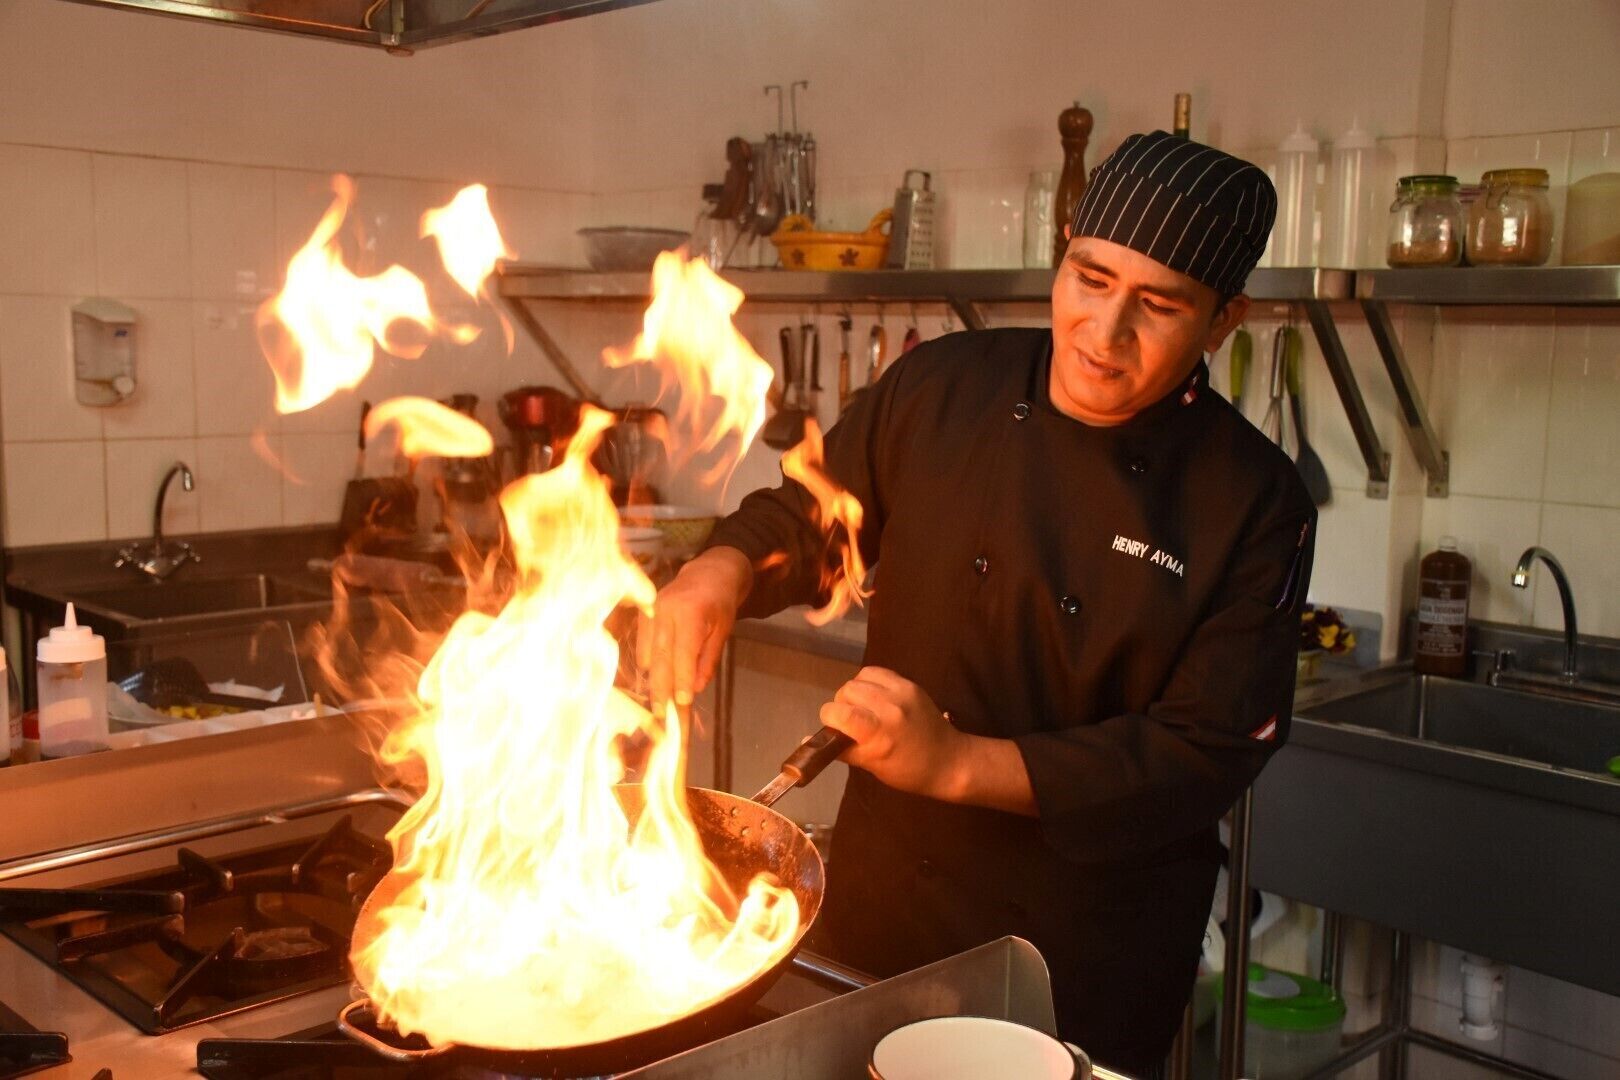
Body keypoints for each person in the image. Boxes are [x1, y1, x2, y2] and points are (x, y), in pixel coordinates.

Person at [641, 131, 1316, 1077]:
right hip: (882, 909)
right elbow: (807, 513)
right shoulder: (944, 386)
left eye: (1157, 306)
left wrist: (959, 764)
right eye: (1090, 278)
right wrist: (720, 569)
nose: (1104, 333)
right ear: (1065, 252)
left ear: (1224, 319)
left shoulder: (1253, 497)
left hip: (1080, 950)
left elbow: (1202, 749)